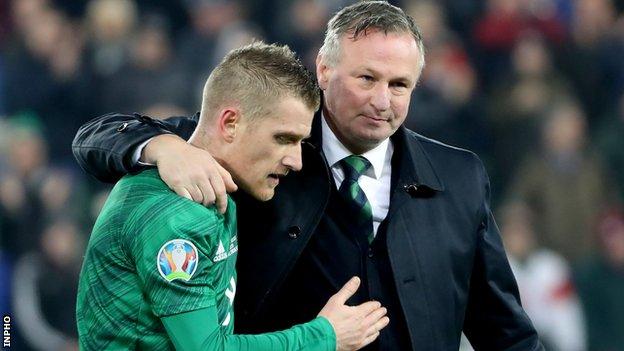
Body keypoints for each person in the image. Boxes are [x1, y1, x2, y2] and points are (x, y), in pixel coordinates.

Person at [73, 2, 543, 350]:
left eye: (399, 85)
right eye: (366, 79)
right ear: (323, 68)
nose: (383, 100)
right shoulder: (261, 142)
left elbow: (501, 326)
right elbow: (97, 137)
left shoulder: (459, 177)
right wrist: (160, 147)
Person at [75, 42, 388, 351]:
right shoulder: (178, 215)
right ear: (229, 123)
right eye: (283, 139)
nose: (296, 160)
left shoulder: (218, 191)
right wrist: (324, 336)